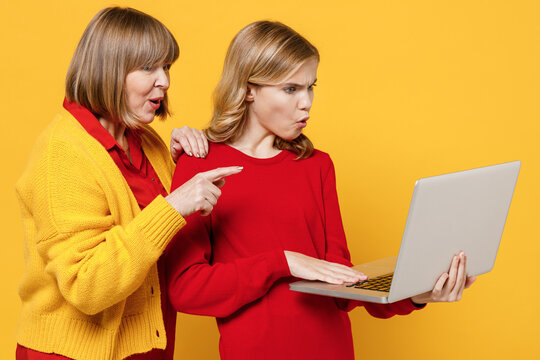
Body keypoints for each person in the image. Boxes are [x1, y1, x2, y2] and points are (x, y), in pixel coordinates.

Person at [166, 20, 476, 360]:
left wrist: (418, 293)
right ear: (249, 88)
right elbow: (186, 290)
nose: (307, 103)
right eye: (291, 89)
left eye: (310, 87)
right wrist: (282, 262)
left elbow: (340, 285)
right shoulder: (199, 164)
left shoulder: (317, 165)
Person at [15, 7, 241, 360]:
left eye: (166, 67)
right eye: (148, 67)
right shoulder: (61, 153)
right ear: (108, 70)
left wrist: (184, 167)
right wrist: (173, 205)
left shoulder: (147, 142)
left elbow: (166, 241)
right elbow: (87, 284)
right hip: (76, 353)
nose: (164, 81)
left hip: (144, 348)